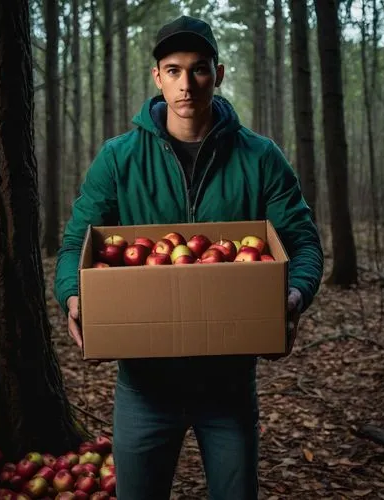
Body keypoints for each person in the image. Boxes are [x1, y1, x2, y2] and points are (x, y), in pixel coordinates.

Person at [54, 14, 324, 500]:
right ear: (157, 77)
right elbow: (77, 242)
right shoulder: (119, 159)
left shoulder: (260, 158)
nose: (186, 84)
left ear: (217, 74)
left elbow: (302, 242)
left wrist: (293, 294)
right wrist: (74, 296)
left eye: (199, 69)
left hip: (228, 382)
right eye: (173, 70)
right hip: (145, 385)